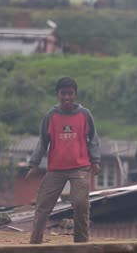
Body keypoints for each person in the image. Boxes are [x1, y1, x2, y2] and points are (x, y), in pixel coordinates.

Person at [25, 77, 100, 244]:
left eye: (70, 93)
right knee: (43, 205)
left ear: (75, 94)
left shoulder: (84, 114)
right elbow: (42, 141)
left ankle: (81, 243)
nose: (67, 97)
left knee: (81, 203)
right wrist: (34, 164)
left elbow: (93, 139)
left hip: (80, 167)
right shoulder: (51, 116)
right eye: (63, 94)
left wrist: (95, 160)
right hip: (56, 169)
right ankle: (35, 243)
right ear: (57, 95)